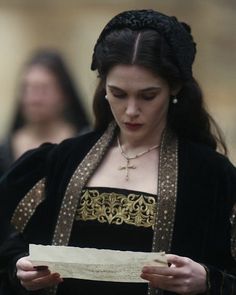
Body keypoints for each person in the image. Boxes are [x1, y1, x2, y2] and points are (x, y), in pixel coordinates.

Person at [0, 8, 236, 295]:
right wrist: (20, 267)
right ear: (104, 89)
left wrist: (208, 280)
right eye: (119, 94)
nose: (132, 110)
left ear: (173, 88)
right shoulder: (63, 160)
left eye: (148, 96)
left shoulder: (210, 175)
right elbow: (14, 242)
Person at [0, 49, 90, 176]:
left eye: (43, 89)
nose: (33, 99)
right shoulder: (4, 151)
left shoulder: (85, 146)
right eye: (27, 88)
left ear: (64, 95)